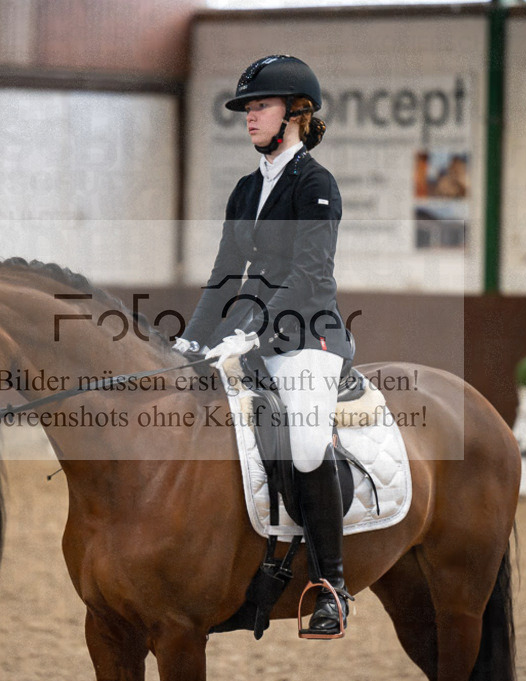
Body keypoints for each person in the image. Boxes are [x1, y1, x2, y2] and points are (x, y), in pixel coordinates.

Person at [173, 55, 354, 638]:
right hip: (248, 335)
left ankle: (330, 587)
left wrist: (257, 332)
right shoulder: (246, 189)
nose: (250, 116)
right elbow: (225, 275)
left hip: (308, 336)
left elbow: (309, 273)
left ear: (296, 113)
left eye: (261, 106)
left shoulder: (315, 185)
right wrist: (190, 340)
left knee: (305, 444)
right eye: (247, 108)